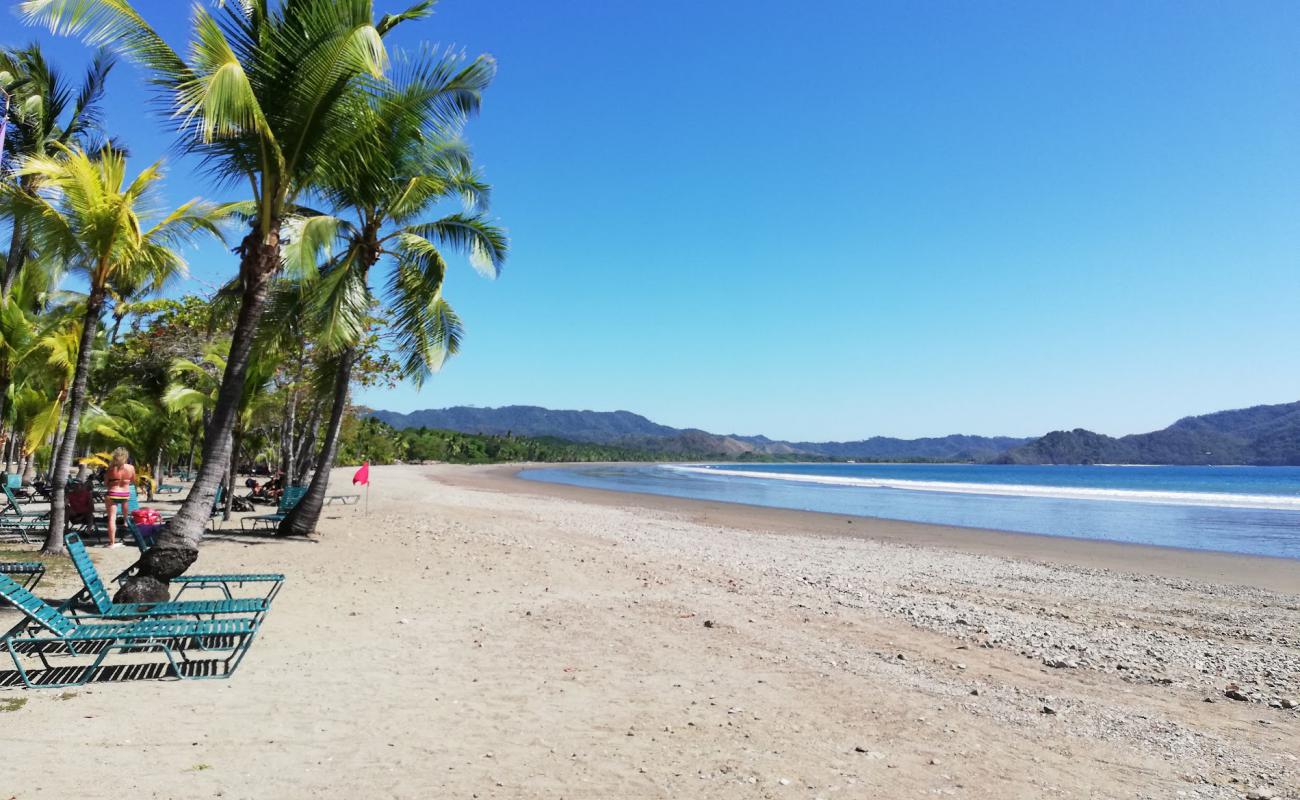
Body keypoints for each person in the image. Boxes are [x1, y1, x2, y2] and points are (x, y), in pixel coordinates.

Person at [103, 447, 135, 548]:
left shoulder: (111, 469)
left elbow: (105, 483)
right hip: (125, 494)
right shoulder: (130, 468)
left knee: (112, 518)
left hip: (112, 493)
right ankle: (125, 522)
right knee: (126, 514)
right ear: (126, 457)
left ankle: (112, 543)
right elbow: (133, 480)